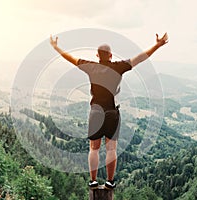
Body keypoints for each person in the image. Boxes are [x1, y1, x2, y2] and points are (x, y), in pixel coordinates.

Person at [50, 32, 168, 189]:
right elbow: (141, 57)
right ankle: (110, 181)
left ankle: (92, 181)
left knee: (94, 148)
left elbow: (70, 58)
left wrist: (56, 47)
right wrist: (157, 45)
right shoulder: (118, 67)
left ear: (97, 55)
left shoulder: (90, 67)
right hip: (112, 112)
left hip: (95, 112)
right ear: (111, 55)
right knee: (111, 148)